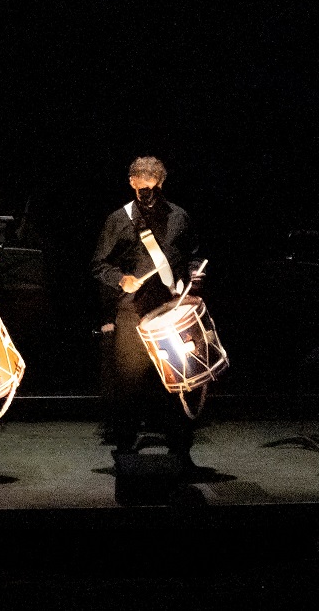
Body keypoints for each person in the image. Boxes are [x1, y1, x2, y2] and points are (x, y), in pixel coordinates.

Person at [91, 156, 204, 473]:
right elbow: (99, 265)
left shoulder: (179, 217)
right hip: (132, 313)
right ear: (131, 184)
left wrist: (195, 272)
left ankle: (181, 453)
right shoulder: (119, 219)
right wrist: (119, 279)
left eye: (152, 190)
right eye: (141, 191)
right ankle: (126, 453)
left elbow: (195, 253)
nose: (146, 196)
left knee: (179, 383)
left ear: (161, 184)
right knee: (130, 385)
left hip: (171, 309)